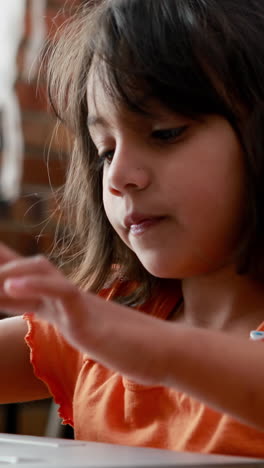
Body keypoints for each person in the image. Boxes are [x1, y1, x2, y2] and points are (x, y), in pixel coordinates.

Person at [0, 0, 264, 458]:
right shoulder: (114, 316)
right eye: (105, 150)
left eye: (164, 133)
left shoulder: (114, 330)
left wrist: (140, 345)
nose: (120, 175)